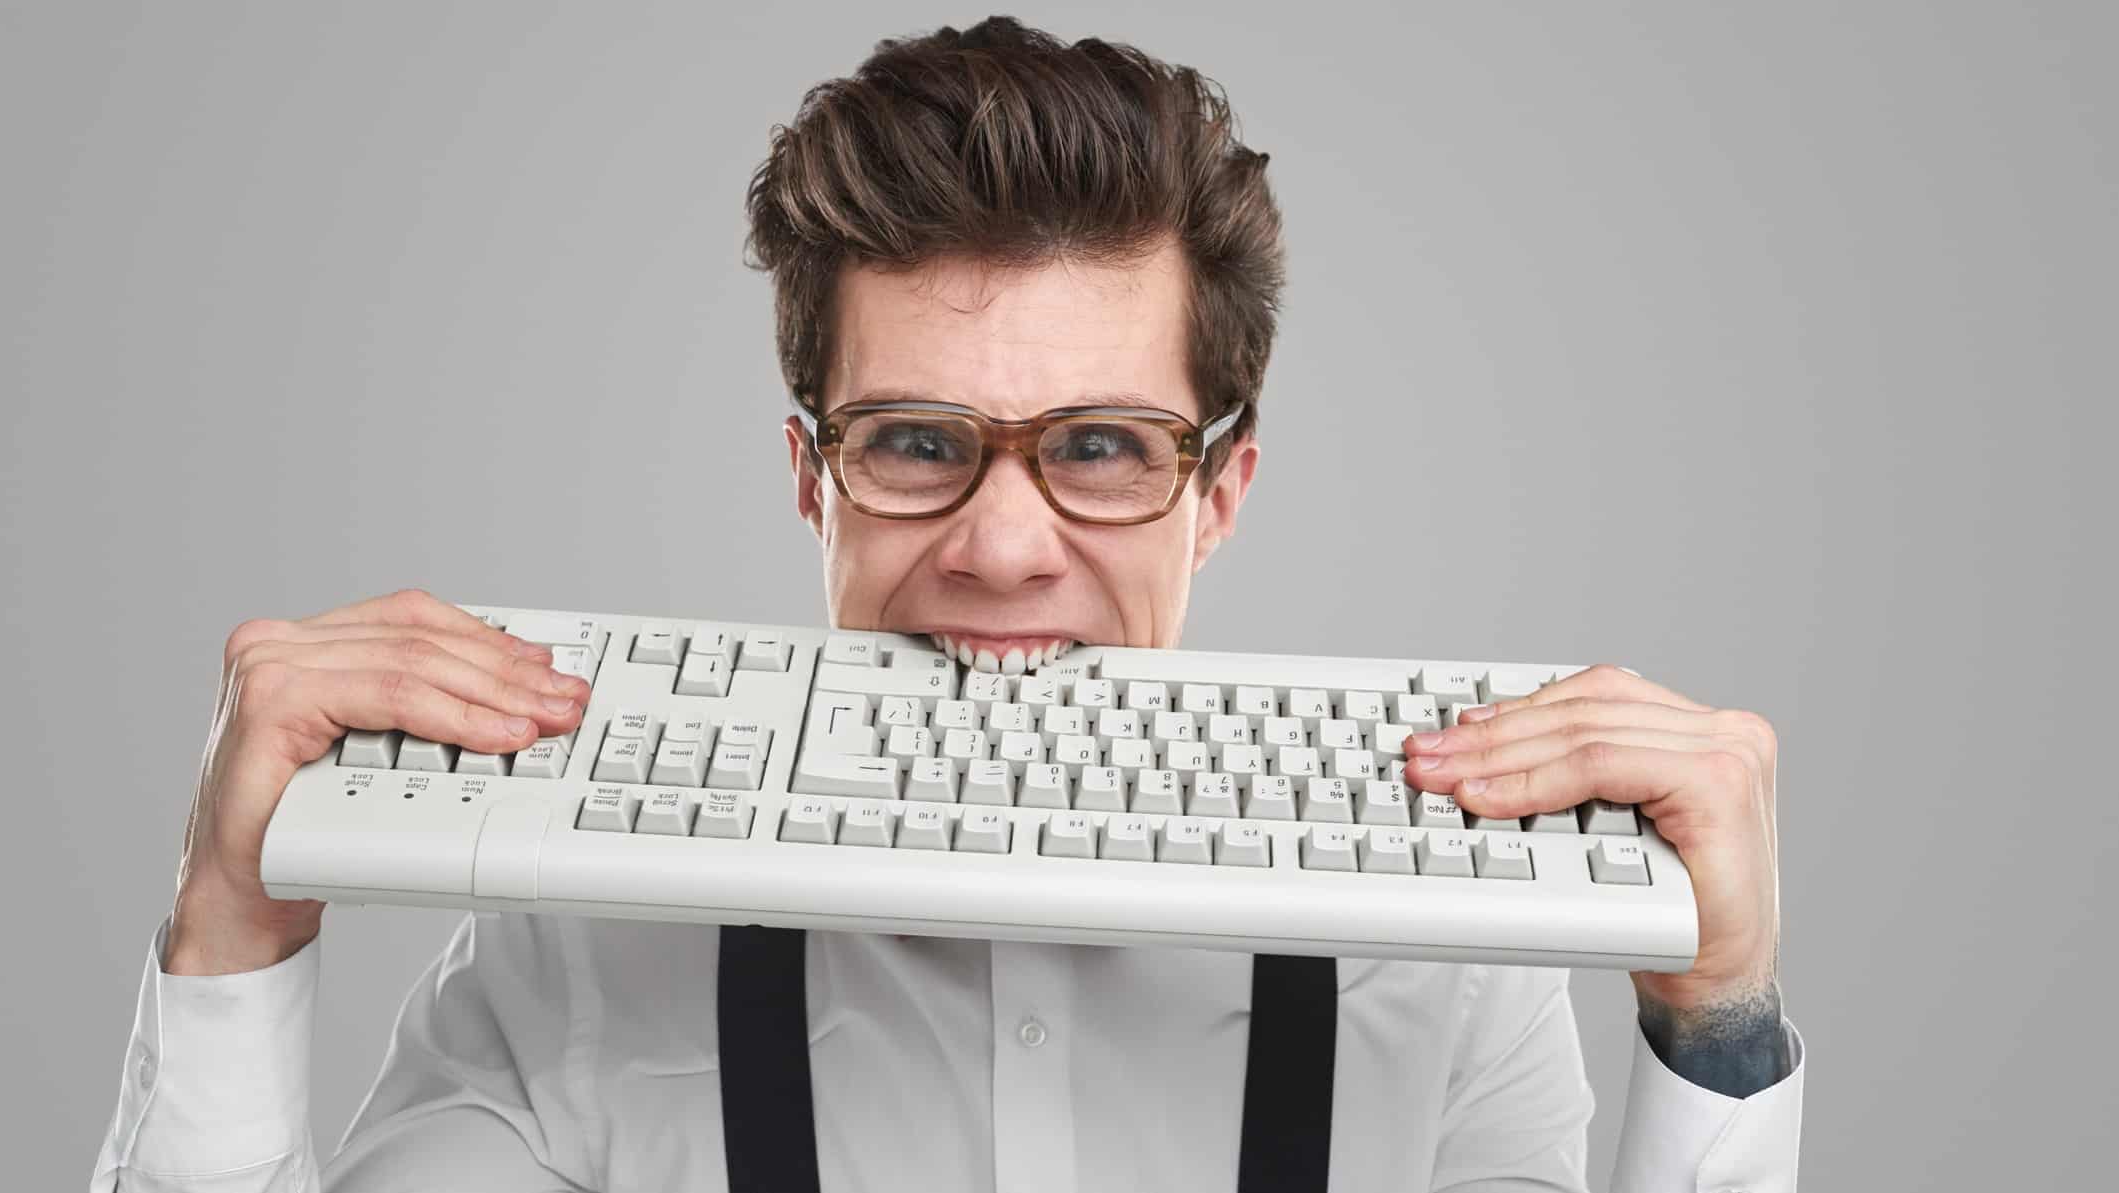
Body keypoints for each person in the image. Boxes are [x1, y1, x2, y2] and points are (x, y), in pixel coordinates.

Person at [91, 16, 1801, 1192]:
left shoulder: (1444, 965)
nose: (999, 546)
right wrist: (232, 928)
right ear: (807, 472)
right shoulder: (582, 941)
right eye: (915, 442)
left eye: (1103, 450)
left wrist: (1712, 1022)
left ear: (1221, 487)